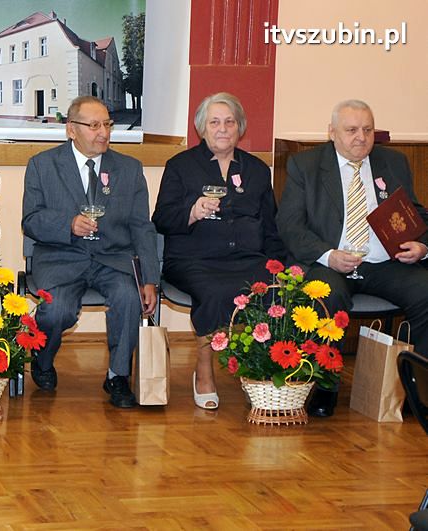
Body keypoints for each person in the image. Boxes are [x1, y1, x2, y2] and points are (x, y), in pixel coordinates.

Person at [277, 99, 428, 417]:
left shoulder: (393, 162)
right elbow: (290, 225)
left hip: (384, 263)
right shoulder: (305, 165)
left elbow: (415, 213)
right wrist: (328, 255)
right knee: (326, 294)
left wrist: (421, 246)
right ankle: (325, 386)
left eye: (368, 130)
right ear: (332, 132)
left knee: (426, 290)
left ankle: (419, 391)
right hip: (330, 263)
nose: (361, 137)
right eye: (352, 130)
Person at [22, 95, 159, 408]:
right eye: (94, 125)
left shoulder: (129, 169)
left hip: (113, 259)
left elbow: (142, 227)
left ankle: (118, 376)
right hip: (61, 258)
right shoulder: (42, 165)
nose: (104, 133)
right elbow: (31, 220)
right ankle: (42, 359)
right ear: (72, 129)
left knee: (128, 298)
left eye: (107, 124)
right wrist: (68, 224)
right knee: (57, 311)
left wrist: (150, 278)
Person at [152, 92, 285, 410]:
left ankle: (262, 369)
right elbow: (161, 219)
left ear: (240, 127)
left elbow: (271, 226)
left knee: (276, 290)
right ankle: (204, 368)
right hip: (193, 260)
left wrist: (281, 266)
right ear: (202, 128)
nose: (222, 128)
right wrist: (192, 211)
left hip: (247, 259)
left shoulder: (256, 169)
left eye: (229, 122)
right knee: (212, 291)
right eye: (214, 122)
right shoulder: (180, 166)